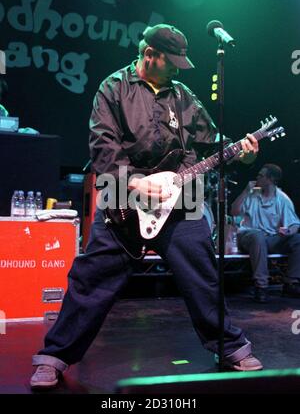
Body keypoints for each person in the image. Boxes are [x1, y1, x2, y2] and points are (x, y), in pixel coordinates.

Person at [30, 24, 262, 389]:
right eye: (172, 62)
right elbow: (102, 146)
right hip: (124, 193)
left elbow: (211, 141)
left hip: (180, 196)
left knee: (202, 273)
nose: (176, 69)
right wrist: (135, 182)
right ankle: (54, 356)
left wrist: (242, 153)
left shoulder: (183, 95)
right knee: (92, 279)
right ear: (149, 54)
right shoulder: (113, 88)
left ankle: (229, 346)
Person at [231, 164, 300, 303]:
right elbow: (234, 211)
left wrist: (288, 231)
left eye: (261, 175)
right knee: (258, 236)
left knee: (297, 239)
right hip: (249, 237)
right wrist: (245, 191)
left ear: (271, 179)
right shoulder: (252, 194)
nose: (257, 178)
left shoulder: (282, 199)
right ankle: (261, 285)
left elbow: (294, 224)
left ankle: (291, 283)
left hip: (270, 239)